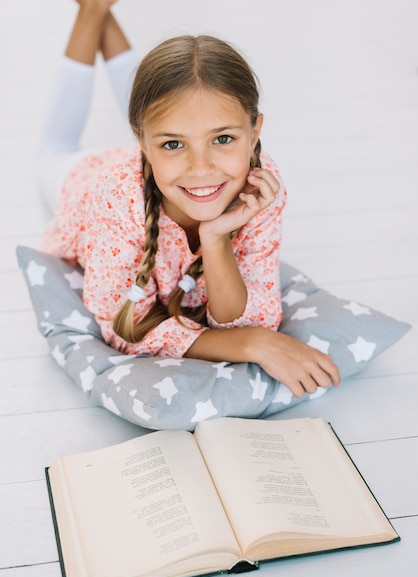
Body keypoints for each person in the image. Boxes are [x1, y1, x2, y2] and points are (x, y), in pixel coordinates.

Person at [40, 0, 340, 399]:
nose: (202, 168)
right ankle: (92, 12)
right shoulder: (113, 196)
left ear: (254, 132)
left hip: (158, 173)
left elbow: (253, 316)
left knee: (174, 106)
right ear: (141, 144)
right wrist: (250, 345)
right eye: (173, 144)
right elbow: (123, 326)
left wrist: (215, 238)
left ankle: (99, 9)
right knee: (55, 147)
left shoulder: (260, 183)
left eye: (223, 138)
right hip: (82, 178)